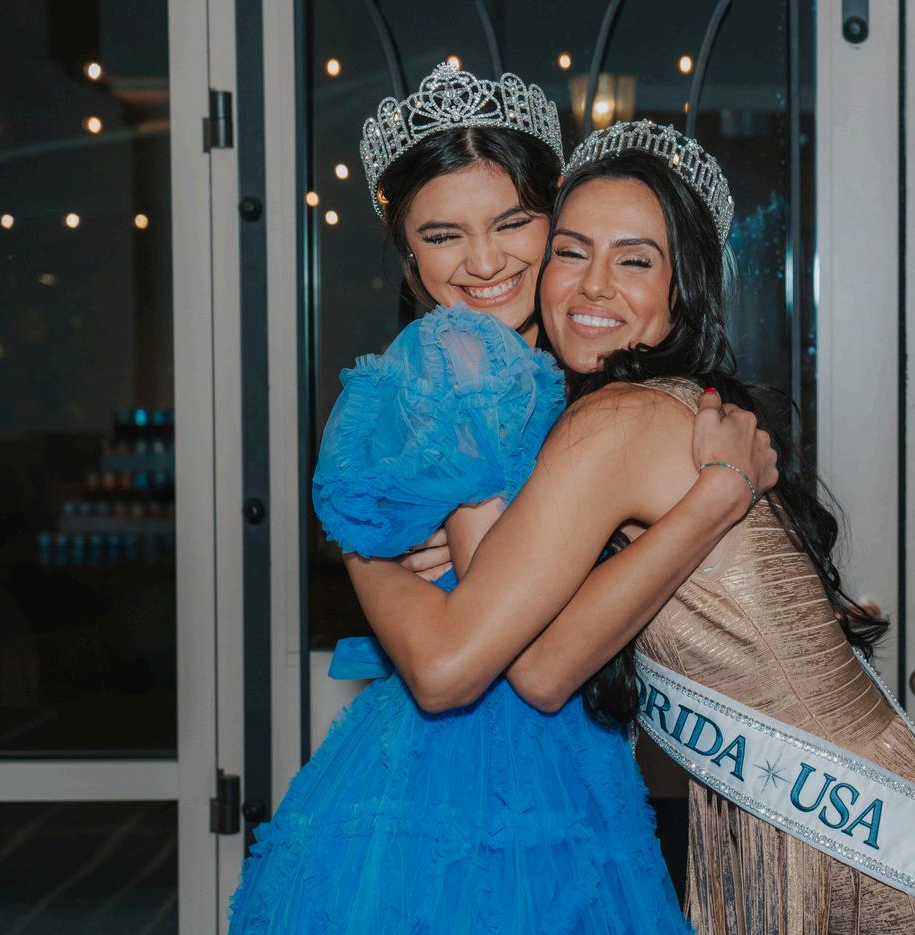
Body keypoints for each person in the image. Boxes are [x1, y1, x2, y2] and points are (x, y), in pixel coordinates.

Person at [348, 121, 915, 934]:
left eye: (635, 260)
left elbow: (535, 669)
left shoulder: (616, 421)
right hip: (873, 832)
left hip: (871, 864)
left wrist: (365, 549)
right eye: (572, 251)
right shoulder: (669, 407)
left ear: (683, 290)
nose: (595, 286)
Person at [229, 68, 769, 933]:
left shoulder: (574, 368)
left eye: (513, 222)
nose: (483, 263)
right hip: (474, 789)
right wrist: (716, 497)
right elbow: (461, 665)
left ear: (559, 219)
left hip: (545, 766)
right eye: (443, 235)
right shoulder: (458, 361)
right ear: (408, 253)